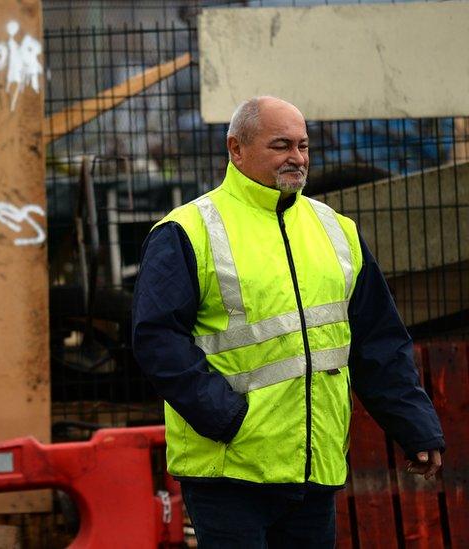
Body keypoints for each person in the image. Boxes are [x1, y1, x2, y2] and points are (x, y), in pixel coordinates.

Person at [132, 96, 444, 547]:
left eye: (302, 146)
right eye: (280, 145)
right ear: (235, 149)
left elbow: (378, 342)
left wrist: (415, 425)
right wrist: (227, 419)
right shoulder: (188, 230)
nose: (296, 158)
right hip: (229, 472)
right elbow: (157, 340)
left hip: (312, 471)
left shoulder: (336, 231)